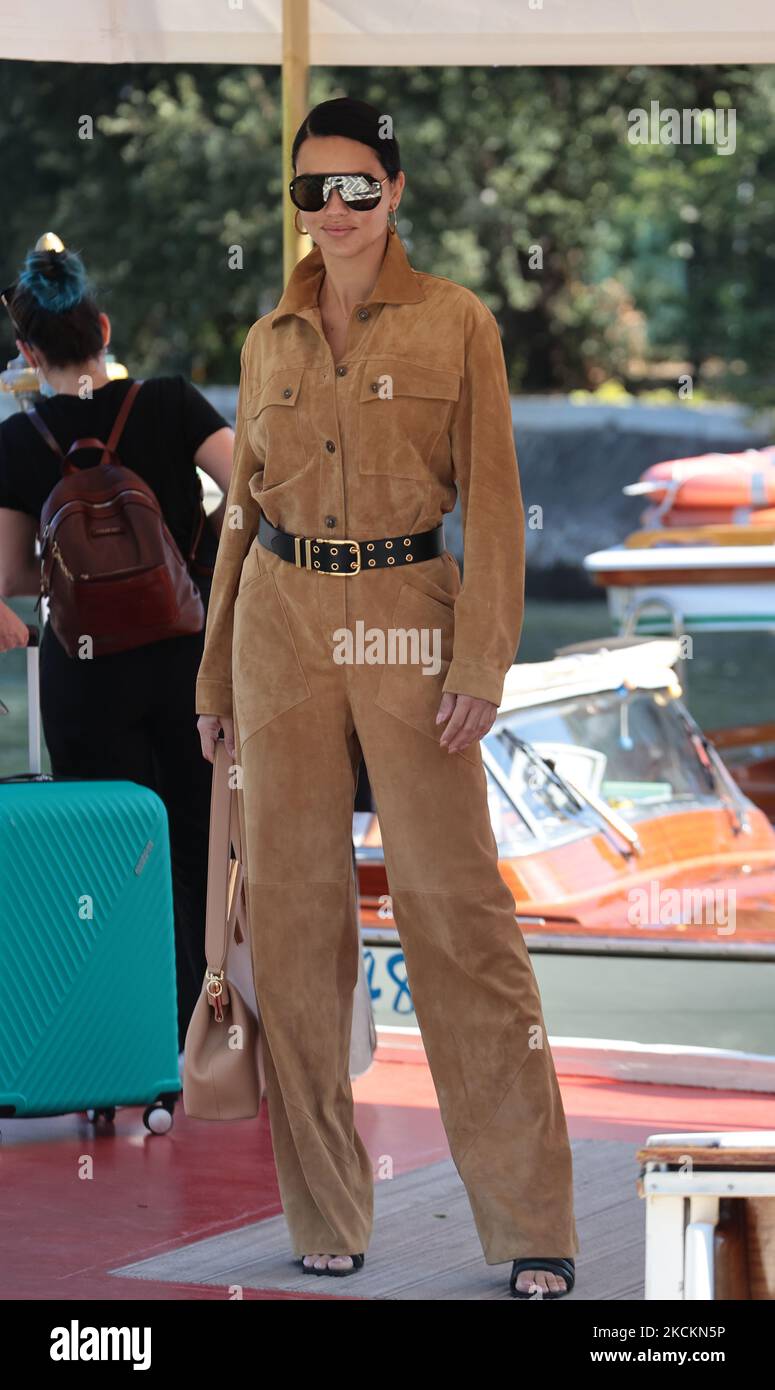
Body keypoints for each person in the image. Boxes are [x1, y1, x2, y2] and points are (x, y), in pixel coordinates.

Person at [195, 97, 579, 1299]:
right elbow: (241, 517)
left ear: (396, 191)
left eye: (357, 186)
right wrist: (213, 670)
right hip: (278, 623)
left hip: (408, 613)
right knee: (296, 925)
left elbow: (501, 506)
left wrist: (480, 658)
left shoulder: (459, 321)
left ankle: (532, 1223)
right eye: (313, 190)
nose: (334, 211)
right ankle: (323, 1206)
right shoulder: (269, 339)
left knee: (458, 916)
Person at [0, 244, 235, 1051]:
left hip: (84, 675)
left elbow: (8, 574)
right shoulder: (170, 401)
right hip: (189, 665)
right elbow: (254, 491)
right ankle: (209, 1032)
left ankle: (134, 1043)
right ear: (103, 328)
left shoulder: (18, 439)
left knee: (112, 858)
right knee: (201, 846)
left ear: (28, 355)